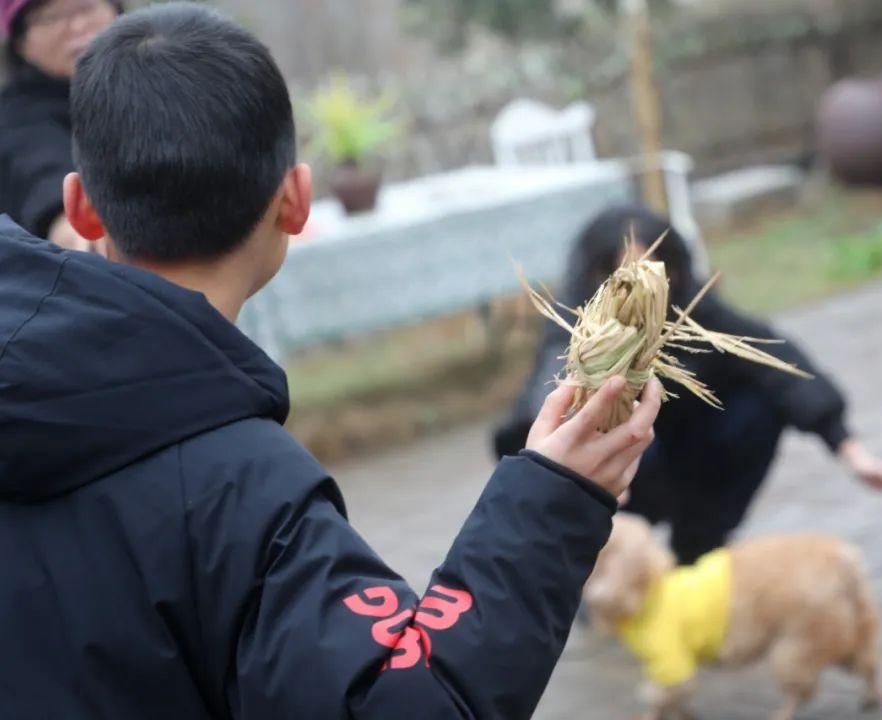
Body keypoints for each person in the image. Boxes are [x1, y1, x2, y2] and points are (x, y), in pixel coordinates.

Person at [0, 5, 663, 719]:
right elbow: (407, 705)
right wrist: (554, 502)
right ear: (295, 199)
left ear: (83, 208)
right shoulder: (235, 486)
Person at [494, 205, 882, 565]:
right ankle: (591, 568)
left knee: (757, 409)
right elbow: (548, 395)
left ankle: (698, 546)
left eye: (653, 276)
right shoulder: (576, 330)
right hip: (611, 481)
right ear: (598, 278)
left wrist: (849, 448)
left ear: (675, 275)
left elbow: (777, 362)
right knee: (628, 432)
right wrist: (578, 460)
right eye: (627, 278)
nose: (640, 291)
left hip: (682, 465)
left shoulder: (696, 312)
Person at [0, 0, 119, 249]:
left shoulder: (159, 85)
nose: (77, 25)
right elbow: (45, 186)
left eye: (86, 7)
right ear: (21, 43)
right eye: (52, 17)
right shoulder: (19, 118)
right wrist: (90, 245)